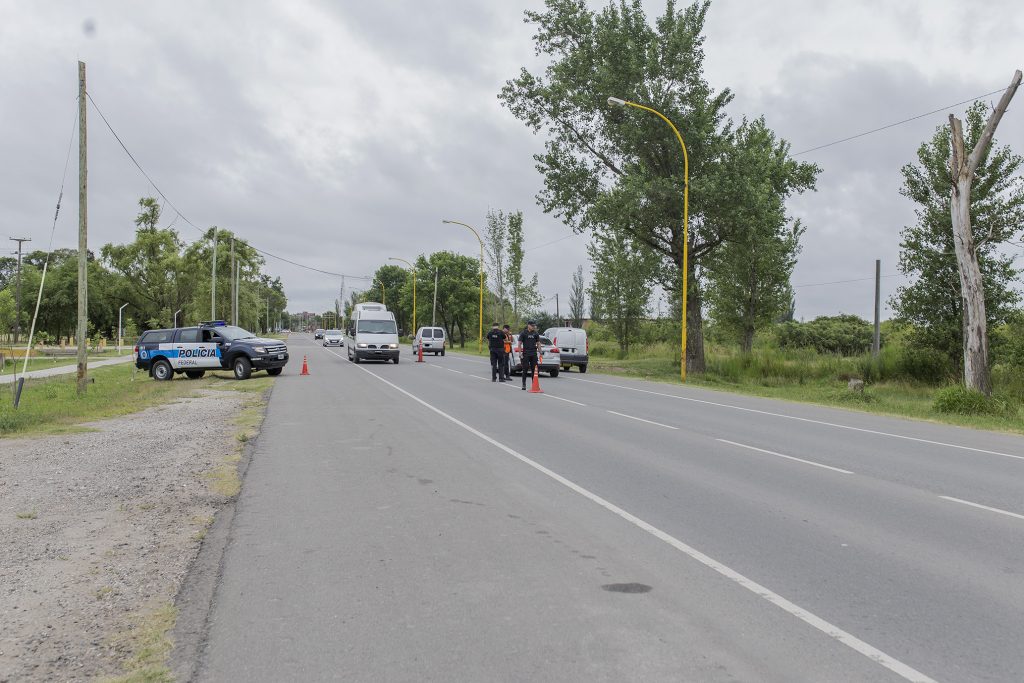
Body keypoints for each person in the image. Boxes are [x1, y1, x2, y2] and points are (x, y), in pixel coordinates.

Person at [518, 320, 541, 390]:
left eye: (534, 326)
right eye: (532, 326)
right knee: (525, 369)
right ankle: (523, 384)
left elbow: (538, 343)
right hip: (526, 353)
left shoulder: (535, 333)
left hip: (533, 353)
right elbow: (519, 344)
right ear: (528, 325)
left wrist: (540, 352)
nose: (533, 327)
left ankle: (534, 384)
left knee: (534, 370)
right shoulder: (523, 333)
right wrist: (520, 353)